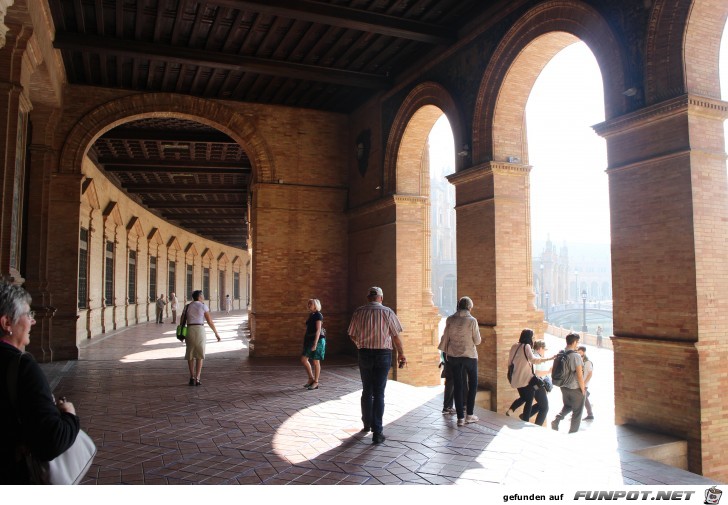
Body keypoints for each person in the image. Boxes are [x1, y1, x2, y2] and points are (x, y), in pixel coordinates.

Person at [0, 282, 80, 483]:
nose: (33, 322)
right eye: (28, 315)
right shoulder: (22, 367)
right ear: (7, 323)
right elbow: (52, 441)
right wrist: (69, 416)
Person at [348, 286, 406, 445]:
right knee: (379, 392)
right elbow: (395, 336)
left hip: (364, 353)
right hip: (383, 354)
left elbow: (352, 334)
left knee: (367, 390)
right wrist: (401, 354)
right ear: (381, 298)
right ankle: (377, 431)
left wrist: (360, 343)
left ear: (368, 298)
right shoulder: (388, 312)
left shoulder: (359, 312)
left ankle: (366, 424)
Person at [438, 296, 482, 426]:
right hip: (469, 356)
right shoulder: (472, 321)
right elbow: (478, 341)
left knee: (458, 385)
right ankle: (469, 414)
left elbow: (445, 337)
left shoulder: (450, 319)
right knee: (472, 384)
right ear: (469, 307)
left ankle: (460, 418)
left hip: (453, 356)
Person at [505, 329, 554, 426]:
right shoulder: (526, 346)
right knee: (529, 400)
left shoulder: (514, 346)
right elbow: (533, 360)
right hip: (527, 380)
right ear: (529, 337)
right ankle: (525, 420)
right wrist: (549, 359)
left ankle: (512, 409)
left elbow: (509, 363)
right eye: (532, 336)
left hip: (516, 379)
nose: (533, 338)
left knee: (524, 397)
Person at [551, 333, 586, 433]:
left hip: (563, 386)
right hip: (575, 388)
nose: (577, 344)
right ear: (574, 342)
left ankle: (557, 419)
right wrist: (583, 388)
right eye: (577, 342)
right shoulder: (576, 356)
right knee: (577, 412)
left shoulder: (561, 353)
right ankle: (573, 433)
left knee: (568, 406)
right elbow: (579, 375)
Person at [185, 290, 221, 386]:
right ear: (200, 296)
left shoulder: (187, 306)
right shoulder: (203, 306)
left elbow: (182, 321)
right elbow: (210, 321)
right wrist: (216, 333)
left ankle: (191, 377)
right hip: (199, 329)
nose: (203, 297)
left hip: (189, 330)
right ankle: (197, 378)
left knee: (190, 354)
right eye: (203, 295)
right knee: (200, 355)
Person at [301, 298, 325, 390]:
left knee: (316, 361)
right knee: (304, 360)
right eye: (308, 304)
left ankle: (316, 382)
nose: (309, 305)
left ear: (315, 305)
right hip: (309, 340)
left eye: (310, 304)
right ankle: (311, 378)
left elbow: (318, 330)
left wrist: (315, 344)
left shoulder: (318, 315)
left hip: (317, 340)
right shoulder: (312, 315)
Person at [578, 345, 594, 420]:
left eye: (580, 352)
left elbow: (590, 374)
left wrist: (584, 383)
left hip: (584, 384)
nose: (579, 353)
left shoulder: (587, 362)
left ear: (584, 352)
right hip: (580, 383)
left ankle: (590, 414)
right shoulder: (580, 361)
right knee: (583, 398)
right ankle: (590, 414)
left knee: (584, 399)